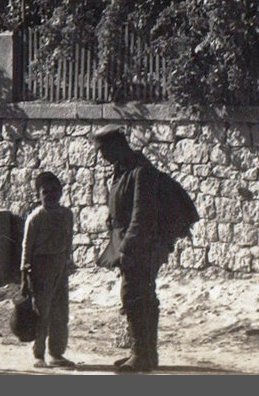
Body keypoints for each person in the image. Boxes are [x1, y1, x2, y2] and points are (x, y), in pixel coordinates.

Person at [93, 125, 174, 373]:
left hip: (142, 246)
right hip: (131, 243)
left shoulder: (141, 172)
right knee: (141, 294)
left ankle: (141, 354)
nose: (102, 157)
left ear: (116, 146)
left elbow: (142, 214)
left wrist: (127, 248)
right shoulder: (123, 171)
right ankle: (145, 353)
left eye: (103, 150)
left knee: (133, 295)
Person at [21, 171, 75, 369]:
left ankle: (56, 353)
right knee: (41, 312)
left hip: (60, 265)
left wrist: (68, 261)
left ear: (61, 192)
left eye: (54, 191)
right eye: (45, 192)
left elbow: (68, 239)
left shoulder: (67, 214)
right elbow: (26, 248)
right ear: (38, 195)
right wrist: (24, 275)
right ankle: (38, 353)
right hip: (40, 267)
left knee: (60, 311)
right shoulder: (35, 217)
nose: (50, 195)